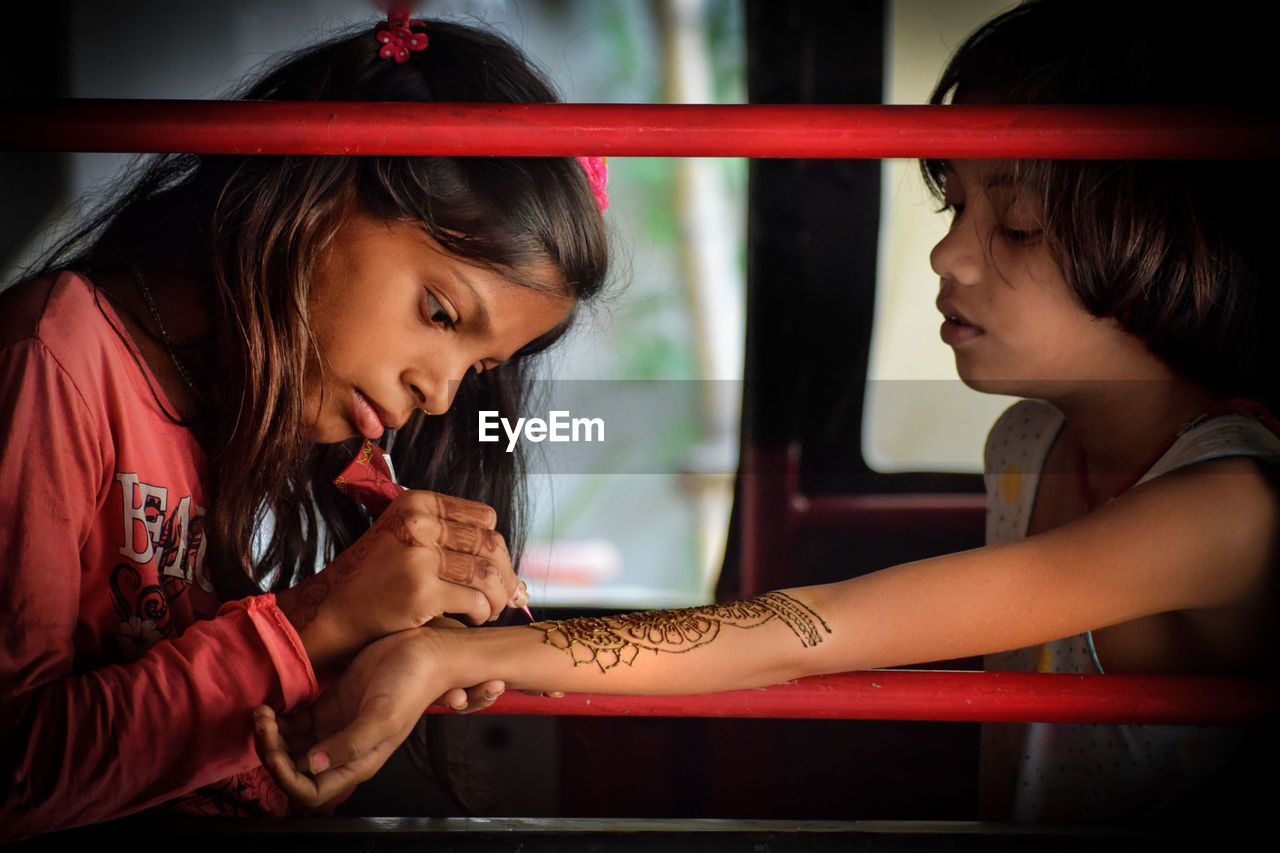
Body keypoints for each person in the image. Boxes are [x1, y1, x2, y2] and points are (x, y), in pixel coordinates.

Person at [254, 0, 1280, 826]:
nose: (947, 256)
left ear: (1158, 242)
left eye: (1009, 224)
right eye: (952, 207)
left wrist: (453, 652)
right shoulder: (1028, 441)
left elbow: (816, 631)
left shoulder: (1227, 508)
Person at [0, 7, 609, 842]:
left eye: (476, 368)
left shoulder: (284, 428)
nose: (438, 393)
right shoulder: (55, 359)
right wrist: (313, 621)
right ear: (325, 190)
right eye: (439, 313)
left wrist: (370, 669)